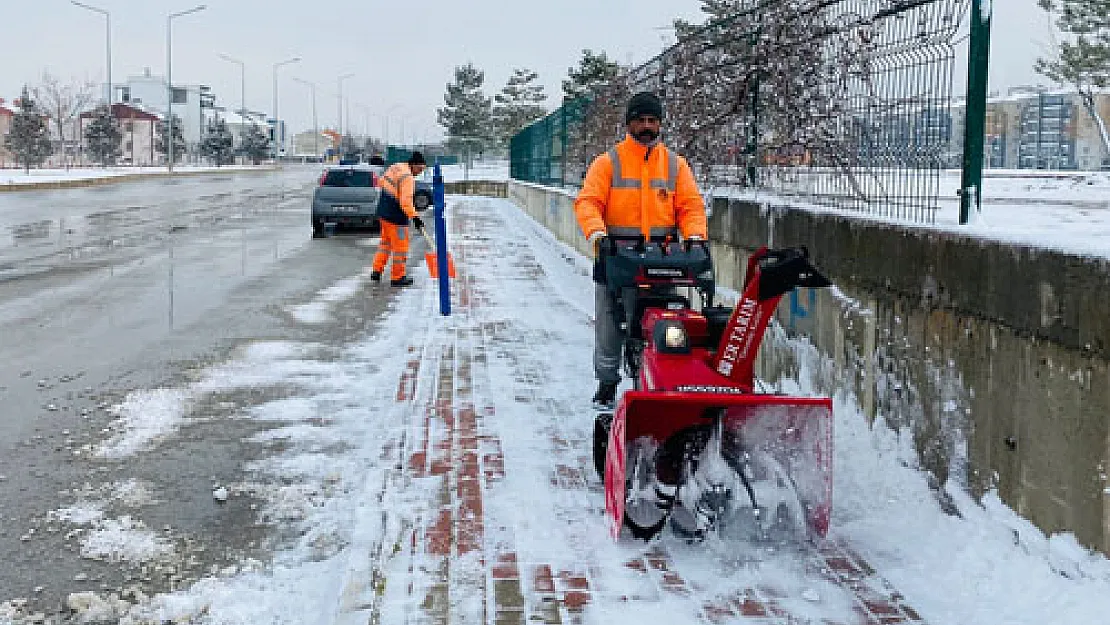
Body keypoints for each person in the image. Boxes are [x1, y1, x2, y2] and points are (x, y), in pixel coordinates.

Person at [573, 91, 708, 409]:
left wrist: (695, 238)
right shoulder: (608, 163)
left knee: (668, 321)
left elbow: (690, 207)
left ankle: (663, 377)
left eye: (652, 120)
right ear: (629, 123)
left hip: (663, 260)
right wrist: (598, 235)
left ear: (660, 124)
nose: (647, 127)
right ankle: (607, 383)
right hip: (617, 258)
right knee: (611, 323)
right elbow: (588, 203)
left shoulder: (676, 166)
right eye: (640, 120)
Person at [372, 151, 427, 287]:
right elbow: (405, 202)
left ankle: (376, 271)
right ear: (413, 165)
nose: (420, 172)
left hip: (383, 211)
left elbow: (381, 182)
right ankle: (397, 277)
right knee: (400, 248)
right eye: (419, 169)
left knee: (385, 244)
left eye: (423, 169)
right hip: (396, 217)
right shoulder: (408, 177)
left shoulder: (396, 167)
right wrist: (415, 217)